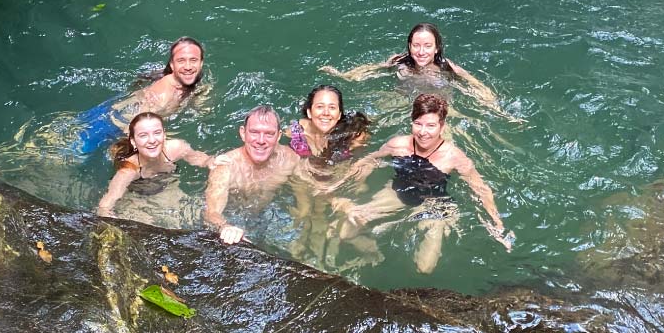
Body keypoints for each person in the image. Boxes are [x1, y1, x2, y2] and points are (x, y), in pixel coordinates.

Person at [332, 93, 512, 274]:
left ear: (442, 126)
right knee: (346, 232)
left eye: (431, 125)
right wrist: (342, 185)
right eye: (418, 124)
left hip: (434, 204)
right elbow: (370, 160)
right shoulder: (398, 145)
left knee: (424, 268)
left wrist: (497, 225)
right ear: (411, 122)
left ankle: (407, 229)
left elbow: (482, 189)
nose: (423, 132)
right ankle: (374, 253)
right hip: (396, 193)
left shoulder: (454, 156)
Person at [320, 22, 519, 121]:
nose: (421, 52)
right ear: (409, 45)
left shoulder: (446, 67)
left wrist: (495, 107)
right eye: (416, 45)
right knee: (368, 120)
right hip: (403, 101)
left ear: (437, 48)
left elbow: (472, 84)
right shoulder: (400, 62)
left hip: (438, 107)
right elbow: (371, 70)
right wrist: (342, 75)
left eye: (427, 46)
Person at [74, 36, 207, 155]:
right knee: (64, 157)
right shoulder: (164, 96)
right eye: (181, 61)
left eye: (193, 60)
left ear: (201, 63)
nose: (188, 66)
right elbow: (133, 127)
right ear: (172, 65)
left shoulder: (191, 81)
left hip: (110, 110)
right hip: (110, 126)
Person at [285, 85, 371, 265]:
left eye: (332, 107)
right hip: (304, 177)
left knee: (326, 210)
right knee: (304, 211)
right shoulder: (296, 131)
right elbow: (294, 165)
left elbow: (358, 163)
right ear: (309, 112)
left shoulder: (353, 135)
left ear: (339, 114)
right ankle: (306, 248)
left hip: (336, 173)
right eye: (319, 106)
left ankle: (321, 253)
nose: (326, 113)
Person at [204, 105, 303, 245]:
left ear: (279, 136)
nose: (261, 140)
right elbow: (211, 213)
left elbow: (307, 189)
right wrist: (225, 227)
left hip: (269, 215)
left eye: (269, 134)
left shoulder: (290, 159)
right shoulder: (226, 167)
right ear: (243, 133)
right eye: (254, 132)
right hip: (233, 219)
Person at [95, 112, 212, 222]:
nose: (152, 140)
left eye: (157, 133)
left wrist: (211, 161)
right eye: (143, 135)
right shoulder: (129, 171)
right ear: (134, 142)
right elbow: (105, 206)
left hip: (168, 185)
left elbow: (200, 159)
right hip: (138, 194)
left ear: (164, 135)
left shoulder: (176, 148)